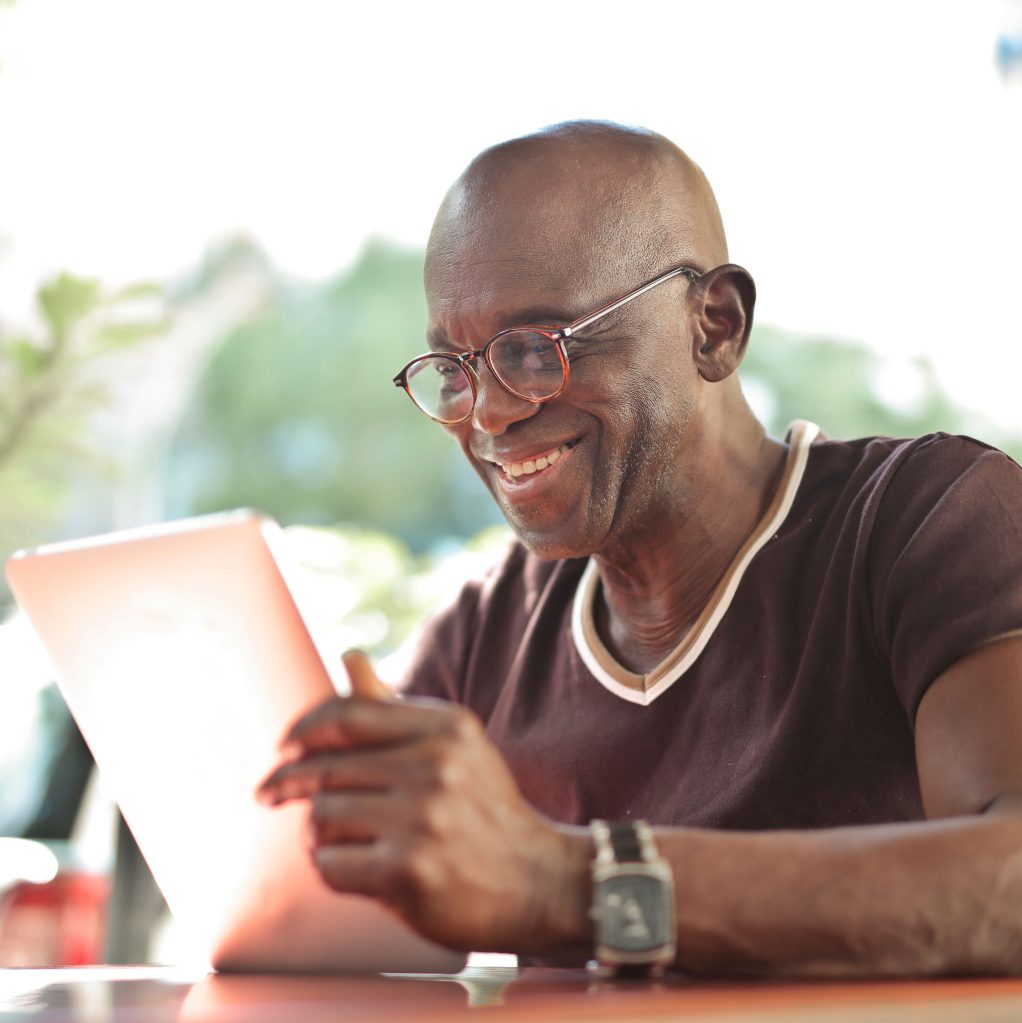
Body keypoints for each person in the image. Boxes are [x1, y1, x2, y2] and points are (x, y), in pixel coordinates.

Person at [258, 121, 1022, 976]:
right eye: (454, 368)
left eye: (535, 349)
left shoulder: (928, 520)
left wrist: (568, 882)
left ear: (715, 326)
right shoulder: (486, 634)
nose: (488, 414)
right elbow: (344, 929)